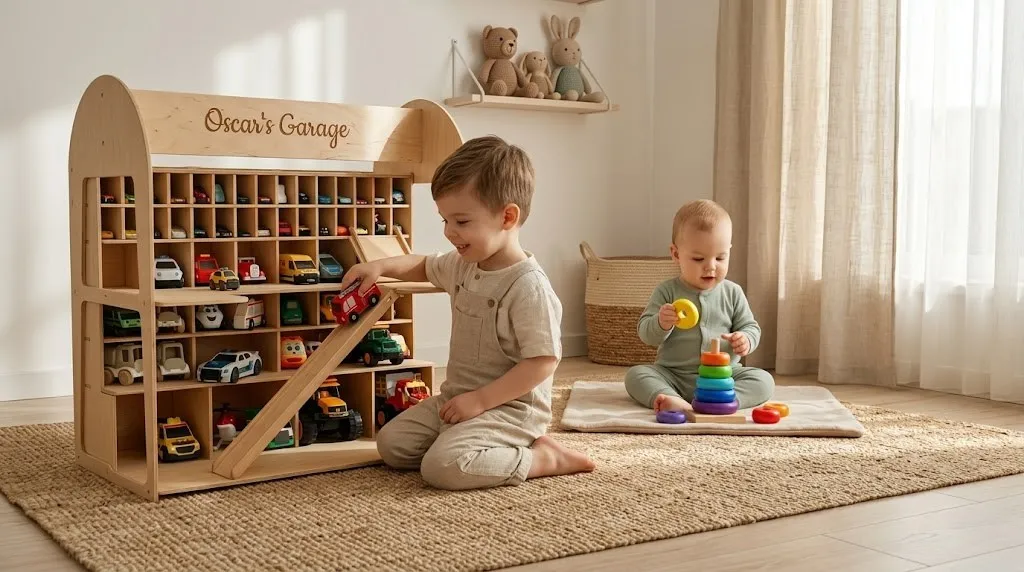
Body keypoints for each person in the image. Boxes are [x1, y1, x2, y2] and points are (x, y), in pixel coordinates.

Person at [338, 135, 595, 490]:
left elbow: (543, 361)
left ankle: (543, 457)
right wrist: (380, 266)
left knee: (444, 468)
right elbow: (424, 265)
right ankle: (473, 443)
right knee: (392, 445)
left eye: (460, 221)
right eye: (444, 220)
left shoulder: (527, 286)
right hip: (457, 398)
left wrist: (481, 401)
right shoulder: (464, 264)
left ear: (507, 216)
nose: (448, 232)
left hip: (510, 409)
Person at [625, 199, 775, 416]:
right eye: (698, 258)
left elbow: (751, 327)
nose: (711, 266)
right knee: (636, 375)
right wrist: (661, 323)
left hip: (724, 378)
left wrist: (745, 339)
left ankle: (726, 402)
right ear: (676, 254)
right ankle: (673, 399)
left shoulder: (732, 292)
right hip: (673, 375)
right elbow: (646, 334)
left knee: (764, 380)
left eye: (721, 257)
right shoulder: (667, 291)